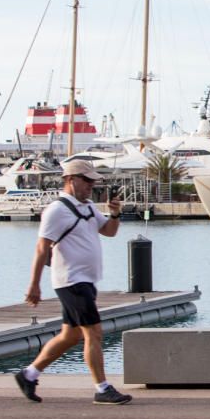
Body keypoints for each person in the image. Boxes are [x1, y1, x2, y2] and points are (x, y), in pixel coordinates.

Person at [15, 159, 130, 405]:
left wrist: (115, 214)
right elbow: (41, 247)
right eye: (86, 180)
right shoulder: (57, 210)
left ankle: (29, 374)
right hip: (71, 280)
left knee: (70, 335)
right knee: (94, 333)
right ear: (71, 179)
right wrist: (34, 285)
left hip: (86, 280)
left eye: (92, 181)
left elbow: (109, 231)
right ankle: (102, 388)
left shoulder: (87, 207)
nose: (91, 185)